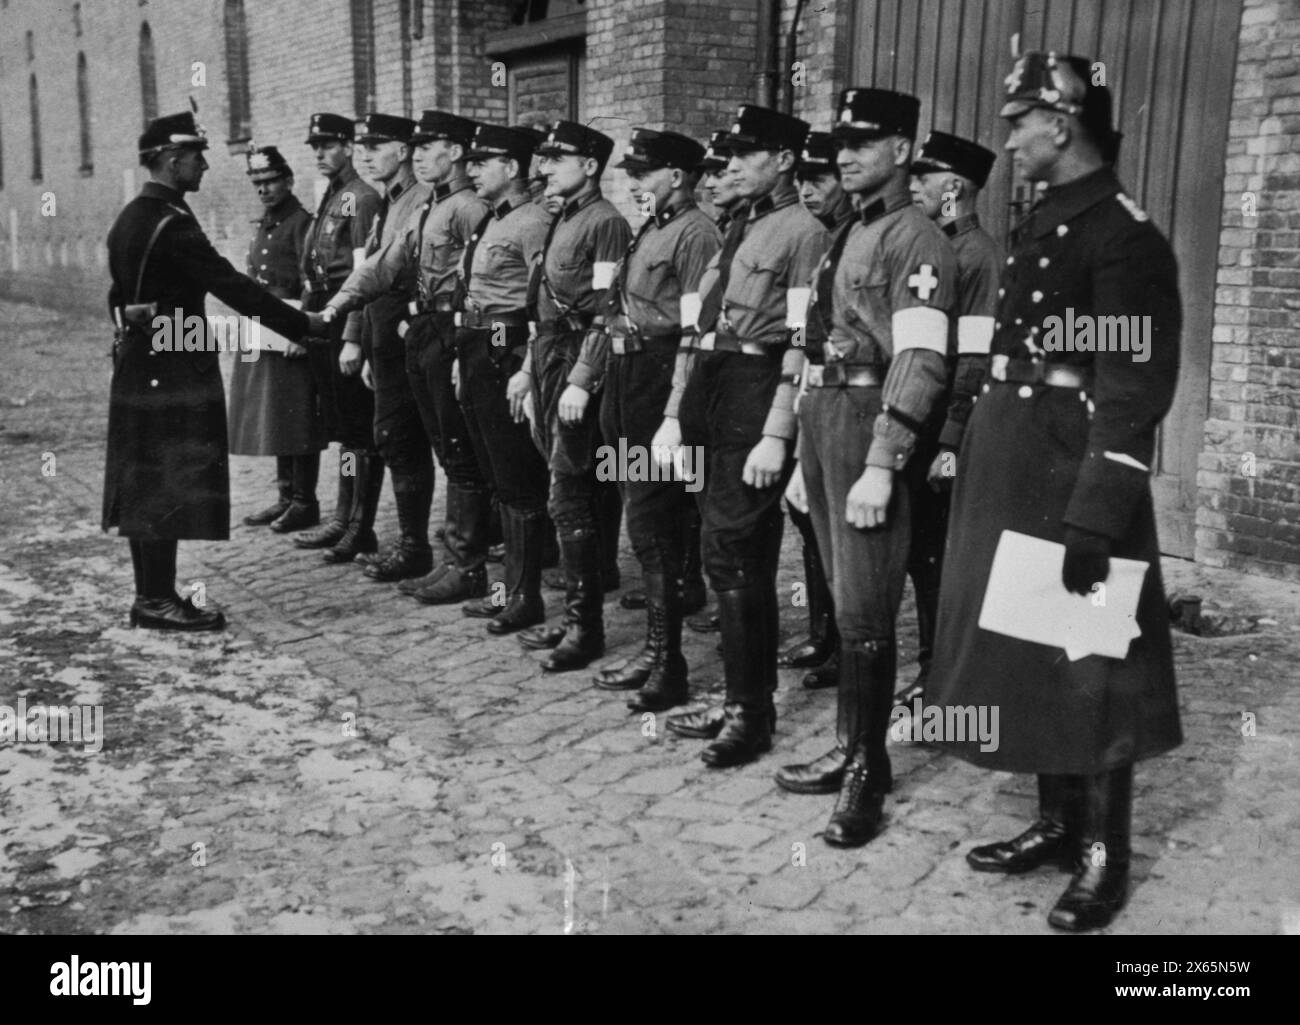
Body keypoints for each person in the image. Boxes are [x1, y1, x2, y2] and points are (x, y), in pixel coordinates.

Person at [929, 52, 1182, 932]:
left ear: (1061, 121)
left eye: (1016, 123)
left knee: (1092, 656)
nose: (1008, 141)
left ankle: (1105, 853)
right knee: (1034, 647)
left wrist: (1096, 510)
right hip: (1015, 458)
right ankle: (1057, 821)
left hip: (1071, 465)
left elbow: (1132, 386)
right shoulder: (1047, 220)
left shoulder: (1119, 235)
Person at [773, 88, 957, 846]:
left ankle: (867, 773)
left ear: (901, 151)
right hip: (825, 416)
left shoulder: (917, 238)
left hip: (866, 421)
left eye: (865, 141)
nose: (845, 154)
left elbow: (920, 357)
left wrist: (884, 460)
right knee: (848, 596)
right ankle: (856, 746)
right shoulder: (850, 230)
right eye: (841, 142)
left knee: (868, 598)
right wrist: (794, 440)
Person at [655, 105, 827, 767]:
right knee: (718, 545)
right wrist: (678, 409)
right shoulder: (739, 224)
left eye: (744, 155)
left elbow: (804, 339)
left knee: (738, 545)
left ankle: (752, 713)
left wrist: (778, 429)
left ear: (784, 159)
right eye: (724, 156)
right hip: (713, 383)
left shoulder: (805, 232)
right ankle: (736, 696)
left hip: (757, 388)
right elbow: (702, 325)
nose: (725, 167)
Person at [104, 111, 321, 630]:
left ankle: (150, 594)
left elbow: (119, 294)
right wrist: (303, 324)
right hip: (177, 367)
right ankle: (155, 600)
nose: (204, 164)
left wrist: (131, 317)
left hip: (138, 365)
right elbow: (233, 287)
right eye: (196, 156)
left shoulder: (130, 217)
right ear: (171, 159)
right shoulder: (173, 223)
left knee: (146, 479)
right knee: (167, 481)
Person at [592, 128, 721, 712]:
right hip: (628, 379)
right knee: (639, 514)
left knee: (656, 515)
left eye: (644, 173)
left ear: (676, 175)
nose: (633, 182)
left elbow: (697, 330)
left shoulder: (695, 233)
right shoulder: (652, 225)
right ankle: (654, 649)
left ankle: (668, 663)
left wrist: (675, 411)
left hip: (661, 379)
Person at [514, 121, 632, 673]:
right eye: (542, 160)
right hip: (547, 356)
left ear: (589, 166)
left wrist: (584, 380)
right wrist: (524, 369)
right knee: (561, 482)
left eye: (556, 160)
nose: (542, 169)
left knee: (569, 491)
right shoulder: (563, 216)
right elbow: (542, 303)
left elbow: (610, 311)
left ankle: (586, 627)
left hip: (577, 357)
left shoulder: (605, 223)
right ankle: (574, 613)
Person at [363, 109, 494, 606]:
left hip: (454, 332)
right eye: (413, 147)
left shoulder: (466, 207)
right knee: (444, 446)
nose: (416, 155)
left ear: (456, 152)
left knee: (462, 451)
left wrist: (460, 341)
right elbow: (389, 264)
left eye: (428, 146)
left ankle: (470, 565)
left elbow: (477, 283)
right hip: (426, 329)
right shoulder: (426, 206)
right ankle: (457, 556)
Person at [891, 129, 1001, 709]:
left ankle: (942, 679)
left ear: (954, 187)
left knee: (939, 552)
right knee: (920, 549)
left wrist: (951, 440)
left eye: (925, 178)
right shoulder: (930, 246)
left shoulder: (978, 256)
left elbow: (976, 356)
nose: (913, 186)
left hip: (947, 426)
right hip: (922, 417)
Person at [321, 113, 434, 583]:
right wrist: (355, 338)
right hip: (380, 338)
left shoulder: (420, 201)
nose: (364, 153)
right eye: (361, 145)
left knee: (414, 439)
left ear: (404, 150)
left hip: (411, 336)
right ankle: (409, 543)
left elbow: (391, 273)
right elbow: (365, 272)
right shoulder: (385, 203)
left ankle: (421, 547)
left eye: (377, 144)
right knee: (389, 437)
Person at [456, 124, 555, 635]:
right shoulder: (490, 221)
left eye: (482, 160)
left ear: (512, 168)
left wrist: (526, 367)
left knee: (518, 478)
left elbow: (543, 303)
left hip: (507, 347)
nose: (471, 169)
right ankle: (506, 590)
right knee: (496, 471)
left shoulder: (534, 222)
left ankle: (524, 597)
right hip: (478, 346)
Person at [781, 129, 856, 693]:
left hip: (852, 400)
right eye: (801, 181)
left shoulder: (854, 239)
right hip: (812, 388)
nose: (808, 191)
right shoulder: (825, 240)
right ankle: (824, 634)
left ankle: (848, 646)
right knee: (809, 517)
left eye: (820, 180)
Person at [293, 113, 385, 565]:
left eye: (328, 145)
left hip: (347, 315)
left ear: (349, 146)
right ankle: (343, 515)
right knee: (344, 431)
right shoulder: (333, 197)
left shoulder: (361, 198)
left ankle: (359, 527)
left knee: (358, 428)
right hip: (326, 316)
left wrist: (355, 337)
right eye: (315, 146)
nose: (319, 153)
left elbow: (364, 274)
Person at [228, 145, 325, 534]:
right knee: (275, 414)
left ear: (288, 180)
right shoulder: (265, 223)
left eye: (270, 181)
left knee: (299, 415)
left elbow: (313, 281)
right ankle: (286, 496)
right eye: (258, 184)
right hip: (265, 331)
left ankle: (305, 501)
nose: (264, 190)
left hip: (291, 332)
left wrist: (303, 331)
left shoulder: (303, 222)